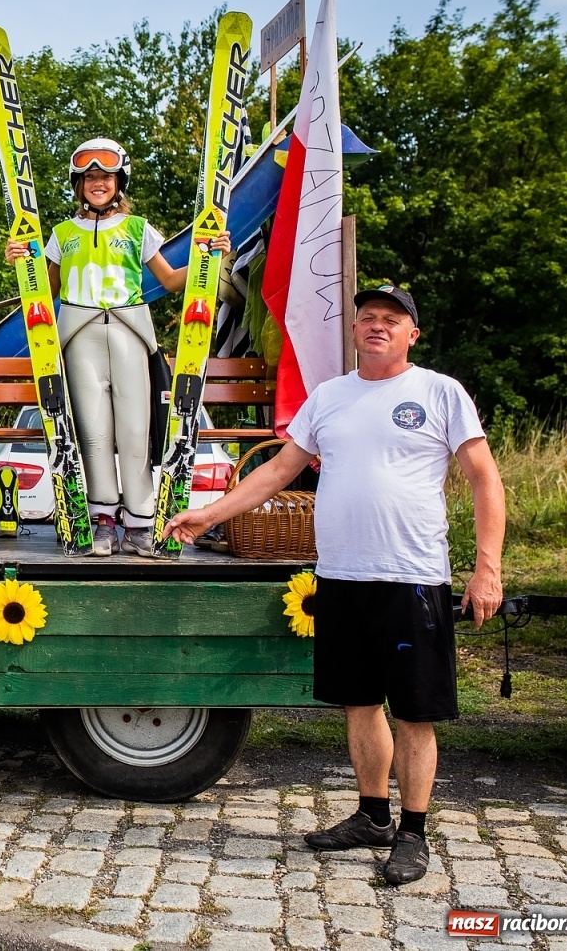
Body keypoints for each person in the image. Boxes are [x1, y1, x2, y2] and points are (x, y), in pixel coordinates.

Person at [165, 285, 504, 885]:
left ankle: (413, 833)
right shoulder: (330, 397)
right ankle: (372, 817)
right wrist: (210, 514)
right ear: (354, 330)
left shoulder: (439, 393)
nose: (377, 326)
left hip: (412, 576)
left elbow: (484, 480)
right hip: (341, 576)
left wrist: (487, 568)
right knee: (359, 703)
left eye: (391, 320)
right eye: (368, 317)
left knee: (415, 714)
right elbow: (277, 470)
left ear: (411, 334)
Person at [4, 138, 230, 556]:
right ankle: (102, 520)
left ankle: (141, 523)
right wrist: (20, 259)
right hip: (80, 334)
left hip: (129, 330)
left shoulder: (137, 228)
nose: (97, 183)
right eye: (89, 177)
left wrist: (210, 258)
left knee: (134, 430)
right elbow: (45, 290)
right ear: (77, 184)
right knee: (92, 432)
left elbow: (170, 280)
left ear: (119, 181)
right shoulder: (62, 234)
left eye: (105, 176)